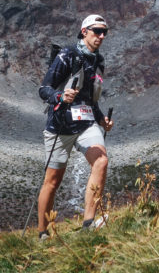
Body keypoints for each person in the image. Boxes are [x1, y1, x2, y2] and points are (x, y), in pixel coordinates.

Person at [36, 14, 114, 240]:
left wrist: (101, 119)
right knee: (52, 182)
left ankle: (88, 223)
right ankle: (43, 233)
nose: (101, 36)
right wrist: (61, 96)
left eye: (104, 32)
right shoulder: (67, 54)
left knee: (101, 161)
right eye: (97, 31)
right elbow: (44, 89)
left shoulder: (98, 61)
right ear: (84, 32)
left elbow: (91, 99)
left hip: (86, 123)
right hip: (60, 125)